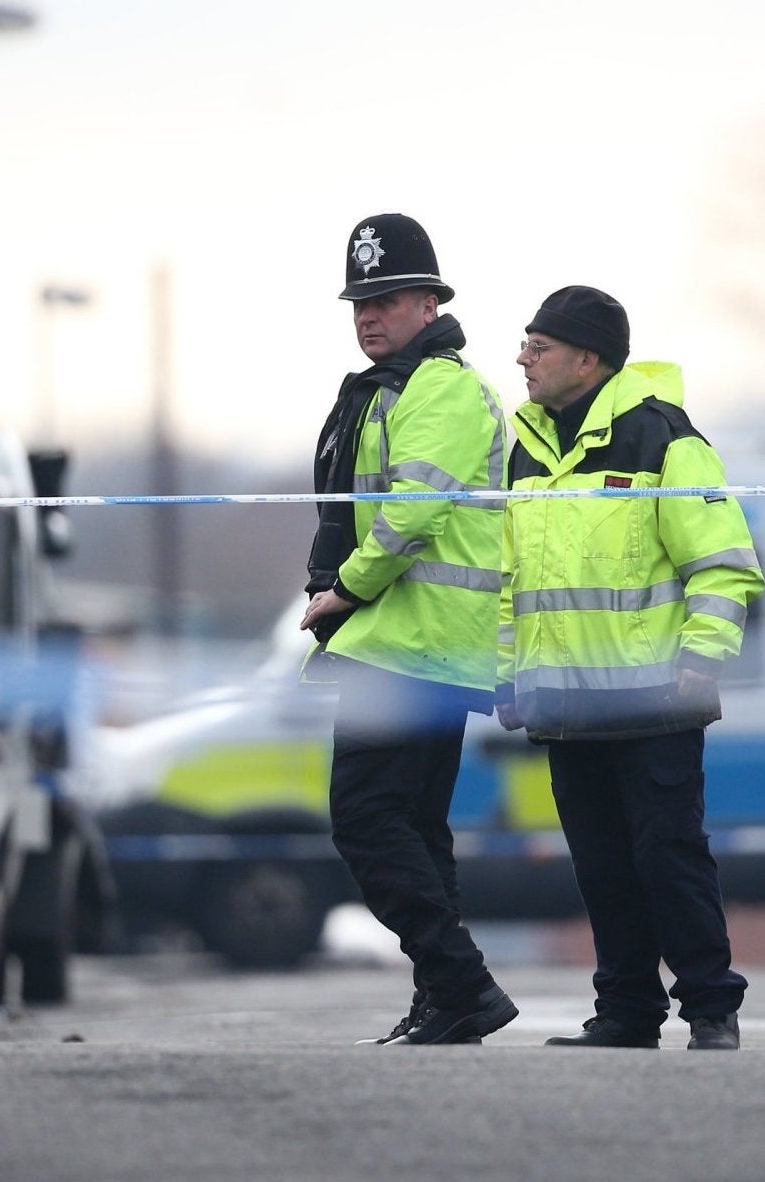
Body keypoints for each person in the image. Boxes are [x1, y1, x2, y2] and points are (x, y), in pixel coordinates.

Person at [495, 286, 764, 1051]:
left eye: (537, 346)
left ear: (588, 358)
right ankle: (626, 1013)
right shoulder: (526, 449)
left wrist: (699, 662)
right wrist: (511, 675)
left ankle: (712, 1009)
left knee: (665, 857)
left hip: (654, 698)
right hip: (566, 702)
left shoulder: (666, 441)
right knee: (602, 868)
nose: (522, 357)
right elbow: (516, 584)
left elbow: (723, 566)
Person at [301, 213, 518, 1045]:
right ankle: (448, 995)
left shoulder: (443, 389)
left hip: (409, 643)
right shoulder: (396, 389)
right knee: (416, 829)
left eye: (386, 299)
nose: (369, 314)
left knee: (364, 820)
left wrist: (345, 592)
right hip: (416, 644)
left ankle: (461, 979)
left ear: (430, 303)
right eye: (359, 300)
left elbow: (412, 510)